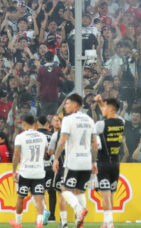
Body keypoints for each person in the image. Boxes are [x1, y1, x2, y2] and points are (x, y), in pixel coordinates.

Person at [52, 93, 97, 228]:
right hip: (86, 161)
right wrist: (94, 162)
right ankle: (79, 221)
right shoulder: (89, 120)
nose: (65, 106)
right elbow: (94, 143)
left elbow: (63, 140)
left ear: (76, 105)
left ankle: (79, 210)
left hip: (73, 161)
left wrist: (55, 158)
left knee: (64, 189)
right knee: (80, 191)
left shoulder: (68, 119)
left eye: (67, 103)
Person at [11, 114, 48, 228]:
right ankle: (40, 222)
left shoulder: (20, 137)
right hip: (39, 172)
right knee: (39, 197)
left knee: (21, 197)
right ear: (35, 124)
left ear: (24, 124)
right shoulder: (43, 136)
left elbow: (16, 155)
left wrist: (13, 171)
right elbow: (45, 155)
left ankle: (18, 223)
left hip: (25, 172)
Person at [94, 96, 125, 228]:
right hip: (116, 164)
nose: (102, 110)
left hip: (103, 163)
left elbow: (95, 145)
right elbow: (107, 112)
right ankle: (107, 222)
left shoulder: (100, 125)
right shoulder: (122, 121)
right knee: (110, 193)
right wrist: (101, 102)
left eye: (105, 107)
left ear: (110, 108)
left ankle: (109, 223)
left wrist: (92, 162)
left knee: (105, 193)